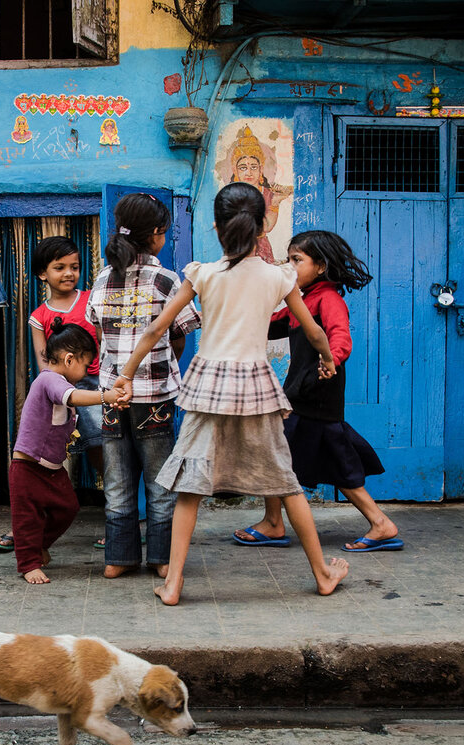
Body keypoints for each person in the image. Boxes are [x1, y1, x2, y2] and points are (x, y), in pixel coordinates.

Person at [113, 182, 349, 606]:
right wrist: (328, 358)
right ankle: (322, 573)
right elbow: (312, 330)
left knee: (190, 487)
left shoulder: (202, 273)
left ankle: (173, 584)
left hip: (207, 386)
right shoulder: (279, 276)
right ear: (262, 227)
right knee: (285, 481)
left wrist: (126, 374)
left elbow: (155, 330)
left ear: (217, 227)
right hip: (256, 386)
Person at [236, 230, 401, 552]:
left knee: (287, 452)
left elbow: (340, 337)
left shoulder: (328, 299)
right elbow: (271, 325)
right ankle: (276, 522)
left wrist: (332, 361)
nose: (290, 266)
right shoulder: (303, 300)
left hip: (318, 390)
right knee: (297, 453)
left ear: (321, 266)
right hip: (302, 390)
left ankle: (379, 523)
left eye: (297, 260)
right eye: (289, 258)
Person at [88, 193, 202, 579]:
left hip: (110, 397)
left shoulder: (101, 279)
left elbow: (97, 331)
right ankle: (162, 559)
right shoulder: (168, 279)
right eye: (165, 233)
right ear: (156, 234)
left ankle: (117, 559)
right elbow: (181, 335)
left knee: (117, 481)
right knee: (160, 481)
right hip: (154, 397)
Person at [0, 237, 104, 551]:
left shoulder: (91, 301)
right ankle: (29, 528)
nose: (69, 273)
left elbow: (104, 344)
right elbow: (44, 363)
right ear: (43, 273)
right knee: (48, 459)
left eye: (74, 267)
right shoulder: (39, 316)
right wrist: (57, 392)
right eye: (60, 267)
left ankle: (121, 521)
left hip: (93, 386)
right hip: (57, 391)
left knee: (102, 453)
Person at [10, 322, 124, 584]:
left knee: (68, 507)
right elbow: (71, 397)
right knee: (27, 519)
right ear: (69, 358)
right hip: (27, 468)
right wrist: (105, 396)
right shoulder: (49, 379)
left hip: (51, 469)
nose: (85, 372)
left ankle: (39, 546)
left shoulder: (56, 380)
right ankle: (28, 564)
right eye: (85, 366)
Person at [228, 126, 293, 263]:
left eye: (253, 167)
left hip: (263, 250)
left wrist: (275, 202)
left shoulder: (268, 193)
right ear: (236, 171)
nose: (249, 173)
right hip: (240, 249)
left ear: (261, 169)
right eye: (243, 168)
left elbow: (267, 227)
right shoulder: (232, 197)